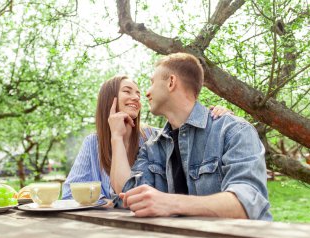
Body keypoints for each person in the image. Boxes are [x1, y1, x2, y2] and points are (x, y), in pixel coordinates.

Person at [109, 53, 272, 220]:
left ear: (171, 82)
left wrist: (170, 204)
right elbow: (128, 197)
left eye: (152, 83)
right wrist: (116, 137)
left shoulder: (234, 131)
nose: (147, 93)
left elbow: (246, 204)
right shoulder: (153, 147)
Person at [62, 75, 231, 203]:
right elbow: (69, 194)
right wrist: (103, 203)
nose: (136, 97)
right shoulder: (93, 143)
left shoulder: (155, 138)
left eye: (138, 93)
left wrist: (215, 116)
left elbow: (189, 129)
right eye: (127, 91)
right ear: (109, 99)